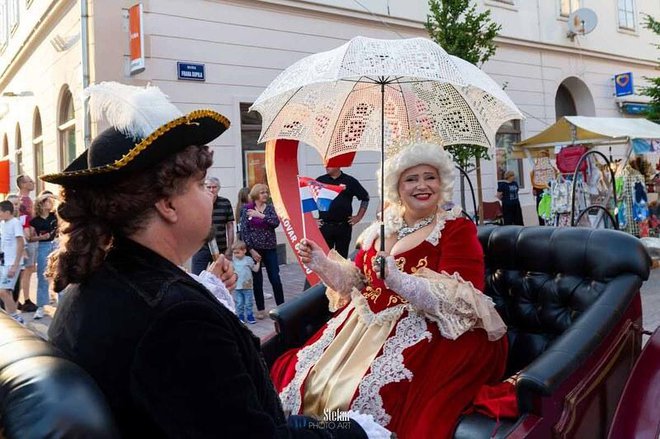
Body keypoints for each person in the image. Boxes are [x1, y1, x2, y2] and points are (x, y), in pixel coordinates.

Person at [44, 82, 374, 438]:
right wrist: (353, 432)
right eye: (201, 185)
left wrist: (338, 422)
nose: (210, 196)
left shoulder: (110, 279)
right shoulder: (178, 320)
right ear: (167, 205)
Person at [271, 140, 509, 439]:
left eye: (429, 176)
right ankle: (314, 431)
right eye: (411, 178)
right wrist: (321, 263)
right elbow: (357, 282)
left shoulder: (455, 228)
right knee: (310, 380)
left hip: (423, 329)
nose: (422, 185)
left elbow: (462, 299)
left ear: (442, 181)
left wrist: (400, 280)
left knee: (363, 395)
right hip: (360, 326)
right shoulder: (380, 228)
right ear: (397, 185)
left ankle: (341, 433)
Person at [239, 183, 285, 319]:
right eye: (262, 192)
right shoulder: (247, 209)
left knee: (275, 278)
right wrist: (251, 250)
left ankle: (281, 306)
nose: (265, 194)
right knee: (257, 280)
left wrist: (260, 216)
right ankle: (260, 309)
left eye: (266, 192)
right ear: (256, 194)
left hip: (270, 248)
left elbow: (275, 223)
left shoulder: (270, 208)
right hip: (254, 250)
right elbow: (244, 231)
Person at [317, 167, 369, 258]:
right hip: (325, 226)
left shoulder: (350, 181)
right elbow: (307, 199)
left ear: (338, 165)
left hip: (343, 227)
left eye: (329, 165)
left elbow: (365, 197)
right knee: (325, 258)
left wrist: (358, 217)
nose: (326, 167)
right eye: (326, 164)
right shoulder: (320, 181)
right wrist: (311, 220)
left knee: (341, 258)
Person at [190, 176, 234, 274]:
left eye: (214, 187)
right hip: (201, 247)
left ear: (218, 188)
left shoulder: (225, 203)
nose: (211, 190)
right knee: (197, 278)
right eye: (209, 187)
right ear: (204, 187)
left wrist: (230, 248)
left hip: (220, 247)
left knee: (220, 280)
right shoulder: (198, 203)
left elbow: (230, 226)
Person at [29, 193, 58, 319]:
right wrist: (41, 237)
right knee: (42, 276)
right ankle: (41, 307)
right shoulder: (34, 221)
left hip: (56, 245)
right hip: (43, 246)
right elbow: (30, 238)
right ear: (41, 203)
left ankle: (61, 305)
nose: (50, 202)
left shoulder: (55, 215)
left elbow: (63, 205)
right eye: (47, 201)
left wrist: (54, 197)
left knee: (60, 275)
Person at [0, 200, 25, 323]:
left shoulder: (15, 223)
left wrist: (15, 265)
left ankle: (16, 317)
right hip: (4, 262)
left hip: (12, 263)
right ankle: (12, 317)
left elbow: (21, 243)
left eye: (0, 212)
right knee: (6, 292)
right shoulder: (3, 224)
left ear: (7, 212)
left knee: (3, 291)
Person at [16, 175, 38, 313]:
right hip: (26, 240)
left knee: (28, 269)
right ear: (23, 184)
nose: (33, 182)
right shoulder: (19, 201)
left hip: (32, 239)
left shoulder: (29, 200)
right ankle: (25, 300)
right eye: (30, 181)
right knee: (26, 270)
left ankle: (20, 299)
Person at [231, 240, 260, 324]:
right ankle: (240, 316)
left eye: (238, 252)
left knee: (248, 303)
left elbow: (255, 269)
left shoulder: (248, 260)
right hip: (237, 287)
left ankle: (250, 316)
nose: (236, 255)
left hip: (248, 286)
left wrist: (258, 262)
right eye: (234, 253)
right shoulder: (233, 261)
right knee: (239, 303)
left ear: (244, 251)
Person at [530, 150, 557, 225]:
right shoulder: (539, 167)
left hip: (547, 193)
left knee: (546, 210)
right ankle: (544, 225)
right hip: (542, 192)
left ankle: (546, 225)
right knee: (542, 210)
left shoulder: (546, 167)